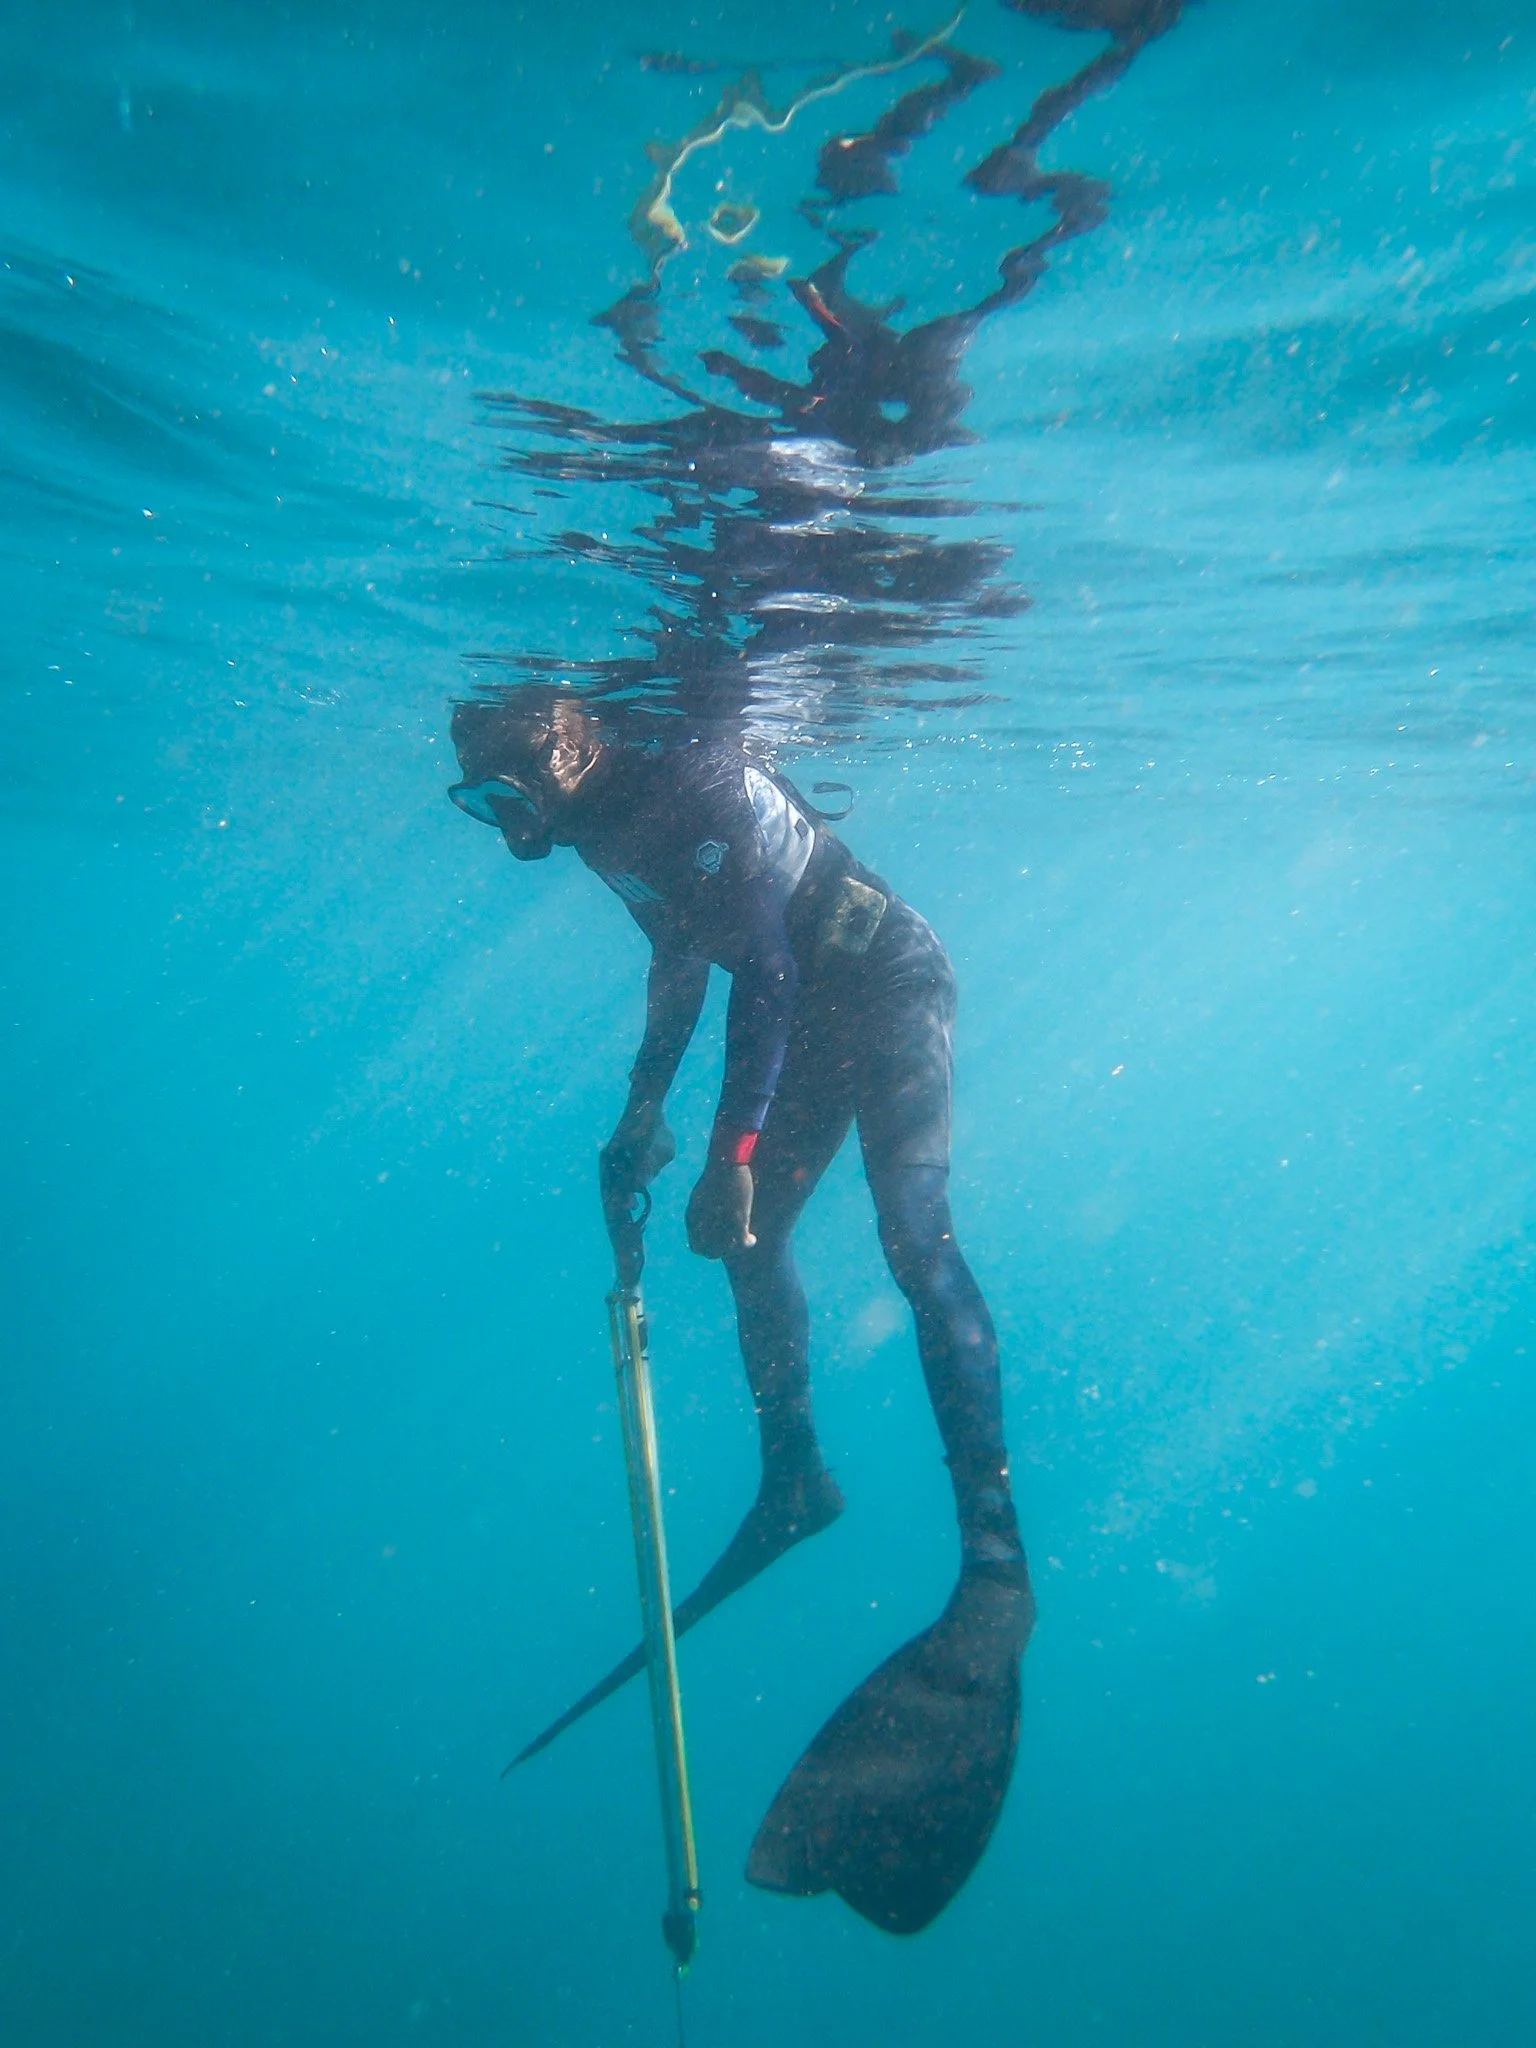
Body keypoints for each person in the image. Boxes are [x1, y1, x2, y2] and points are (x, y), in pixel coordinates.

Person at [450, 686, 1035, 1934]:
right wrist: (641, 1110)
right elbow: (680, 961)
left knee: (911, 1238)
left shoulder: (698, 779)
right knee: (742, 1240)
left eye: (504, 793)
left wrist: (734, 1149)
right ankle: (796, 1476)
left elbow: (763, 968)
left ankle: (996, 1559)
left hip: (884, 980)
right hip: (809, 1010)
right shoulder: (602, 827)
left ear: (568, 743)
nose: (501, 827)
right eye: (475, 804)